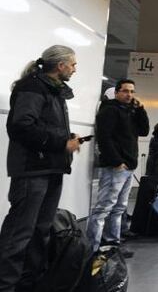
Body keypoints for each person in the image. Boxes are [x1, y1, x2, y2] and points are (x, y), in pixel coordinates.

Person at [0, 45, 81, 292]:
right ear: (61, 65)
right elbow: (21, 127)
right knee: (19, 235)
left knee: (40, 232)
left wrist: (67, 137)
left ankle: (30, 284)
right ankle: (6, 286)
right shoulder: (32, 87)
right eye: (73, 64)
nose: (75, 69)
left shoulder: (53, 91)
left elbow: (44, 126)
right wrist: (61, 142)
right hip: (32, 171)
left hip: (50, 168)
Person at [87, 79, 149, 257]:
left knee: (119, 207)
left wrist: (141, 110)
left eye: (132, 91)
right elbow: (104, 138)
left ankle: (113, 243)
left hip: (128, 166)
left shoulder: (130, 111)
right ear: (116, 92)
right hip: (116, 166)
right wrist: (116, 161)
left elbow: (144, 131)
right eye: (125, 91)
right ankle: (93, 248)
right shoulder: (109, 111)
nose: (129, 94)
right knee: (103, 208)